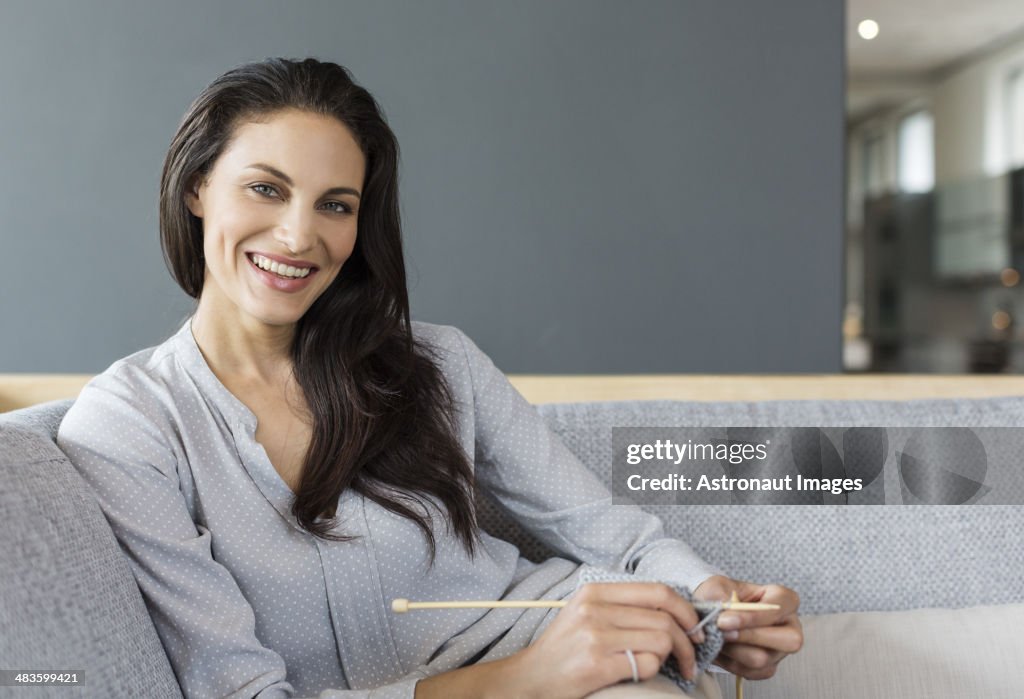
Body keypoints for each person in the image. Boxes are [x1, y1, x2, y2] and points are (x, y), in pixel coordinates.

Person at [56, 58, 802, 699]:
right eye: (266, 188)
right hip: (539, 671)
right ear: (197, 188)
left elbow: (618, 539)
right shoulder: (128, 425)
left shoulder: (437, 363)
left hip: (586, 670)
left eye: (336, 205)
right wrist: (529, 676)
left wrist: (718, 602)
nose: (299, 234)